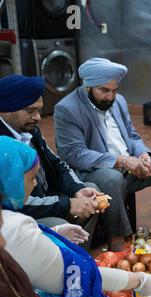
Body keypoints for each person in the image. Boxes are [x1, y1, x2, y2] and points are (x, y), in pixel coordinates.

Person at [0, 136, 151, 297]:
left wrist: (52, 232)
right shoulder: (13, 228)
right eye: (31, 178)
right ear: (9, 181)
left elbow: (58, 166)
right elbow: (74, 274)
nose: (35, 184)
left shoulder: (8, 219)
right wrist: (139, 281)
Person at [54, 58, 151, 248]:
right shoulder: (67, 109)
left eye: (114, 90)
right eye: (104, 91)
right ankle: (117, 240)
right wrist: (121, 161)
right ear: (88, 86)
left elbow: (132, 136)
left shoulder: (118, 101)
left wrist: (143, 154)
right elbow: (74, 154)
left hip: (127, 166)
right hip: (92, 173)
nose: (110, 97)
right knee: (113, 179)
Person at [0, 75, 105, 249]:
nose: (38, 117)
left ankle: (77, 258)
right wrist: (67, 205)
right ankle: (59, 267)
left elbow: (56, 163)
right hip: (18, 213)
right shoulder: (3, 146)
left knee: (92, 194)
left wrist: (78, 190)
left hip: (46, 196)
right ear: (7, 109)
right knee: (56, 222)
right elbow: (13, 202)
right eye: (30, 110)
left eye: (39, 110)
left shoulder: (28, 127)